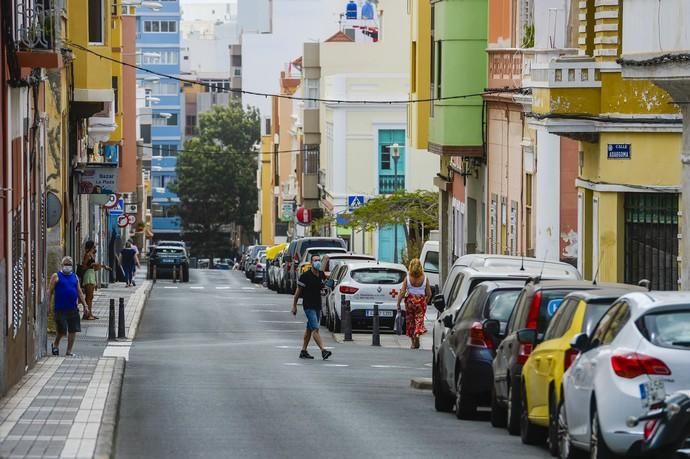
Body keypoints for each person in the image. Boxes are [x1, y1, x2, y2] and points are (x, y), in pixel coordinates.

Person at [291, 254, 332, 360]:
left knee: (309, 329)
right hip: (308, 305)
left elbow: (325, 283)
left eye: (318, 260)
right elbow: (298, 292)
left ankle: (303, 351)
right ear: (311, 263)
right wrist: (294, 306)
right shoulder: (305, 276)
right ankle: (323, 350)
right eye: (315, 260)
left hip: (317, 305)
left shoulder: (321, 275)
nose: (317, 262)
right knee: (315, 328)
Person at [47, 256, 88, 356]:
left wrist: (85, 305)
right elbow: (49, 292)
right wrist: (48, 305)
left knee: (73, 329)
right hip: (60, 308)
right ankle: (55, 344)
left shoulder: (75, 277)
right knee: (62, 330)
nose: (67, 266)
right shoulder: (56, 276)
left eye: (69, 264)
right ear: (62, 265)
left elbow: (79, 292)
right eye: (66, 264)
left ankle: (69, 351)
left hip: (73, 308)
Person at [396, 258, 432, 349]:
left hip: (410, 302)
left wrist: (398, 303)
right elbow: (429, 293)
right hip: (421, 301)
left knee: (410, 321)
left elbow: (402, 292)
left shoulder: (407, 278)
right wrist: (425, 301)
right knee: (419, 319)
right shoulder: (425, 278)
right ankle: (418, 332)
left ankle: (413, 343)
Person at [79, 240, 110, 320]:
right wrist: (91, 266)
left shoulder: (92, 255)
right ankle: (87, 314)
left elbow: (94, 266)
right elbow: (84, 267)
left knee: (91, 296)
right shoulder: (87, 255)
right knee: (89, 296)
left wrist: (99, 266)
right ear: (91, 246)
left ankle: (89, 313)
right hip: (88, 275)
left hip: (91, 274)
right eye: (94, 246)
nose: (95, 247)